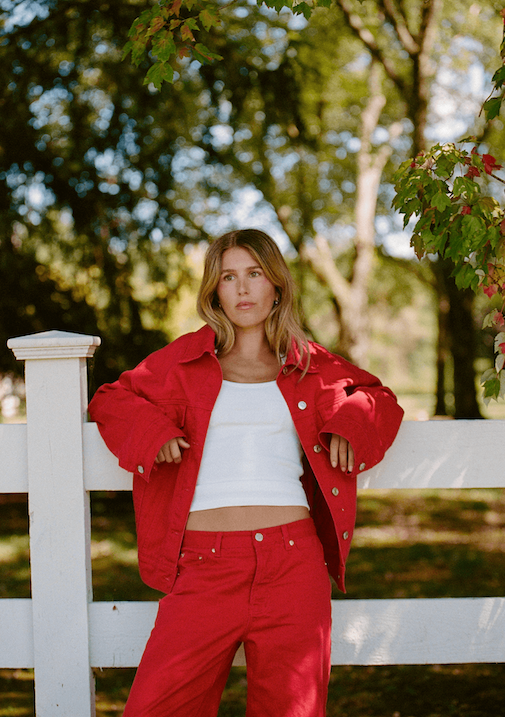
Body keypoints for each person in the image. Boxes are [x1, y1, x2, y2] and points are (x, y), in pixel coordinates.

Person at [89, 228, 404, 717]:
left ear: (276, 285)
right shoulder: (183, 359)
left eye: (254, 274)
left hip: (294, 564)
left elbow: (378, 397)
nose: (242, 289)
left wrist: (349, 426)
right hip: (202, 567)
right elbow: (112, 400)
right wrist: (154, 434)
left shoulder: (309, 364)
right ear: (214, 289)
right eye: (228, 276)